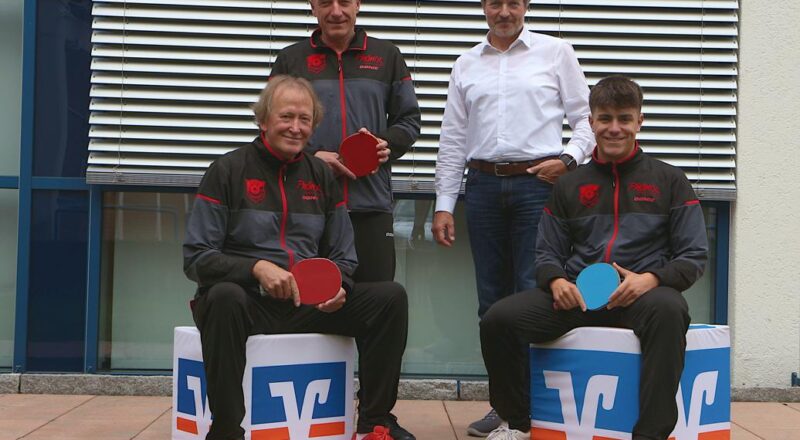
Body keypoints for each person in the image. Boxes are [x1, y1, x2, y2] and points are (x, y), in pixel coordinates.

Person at [184, 76, 415, 440]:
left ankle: (375, 422)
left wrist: (340, 285)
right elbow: (197, 258)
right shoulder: (227, 170)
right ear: (263, 121)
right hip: (245, 303)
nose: (295, 128)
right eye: (286, 117)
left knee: (390, 298)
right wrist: (256, 269)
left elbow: (343, 255)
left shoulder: (322, 175)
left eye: (304, 119)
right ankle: (226, 430)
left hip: (305, 303)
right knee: (223, 296)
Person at [478, 76, 709, 440]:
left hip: (643, 295)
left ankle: (651, 434)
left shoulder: (671, 180)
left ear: (639, 122)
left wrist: (651, 279)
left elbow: (694, 255)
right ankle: (518, 424)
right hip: (579, 297)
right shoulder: (569, 184)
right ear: (590, 122)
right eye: (605, 119)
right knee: (498, 319)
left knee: (670, 310)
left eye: (624, 118)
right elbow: (546, 252)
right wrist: (556, 282)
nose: (614, 128)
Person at [431, 0, 594, 435]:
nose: (505, 11)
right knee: (490, 305)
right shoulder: (466, 64)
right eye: (495, 2)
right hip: (482, 188)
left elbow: (587, 122)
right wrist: (444, 203)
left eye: (513, 2)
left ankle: (533, 409)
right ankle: (504, 408)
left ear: (526, 6)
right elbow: (453, 138)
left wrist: (568, 160)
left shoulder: (556, 52)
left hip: (537, 185)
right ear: (484, 7)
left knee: (530, 295)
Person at [270, 0, 421, 284]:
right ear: (313, 7)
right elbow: (271, 128)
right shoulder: (291, 59)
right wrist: (311, 159)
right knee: (310, 300)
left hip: (371, 205)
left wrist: (383, 143)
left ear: (358, 5)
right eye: (326, 3)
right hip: (307, 205)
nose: (336, 11)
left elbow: (409, 120)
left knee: (376, 301)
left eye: (345, 2)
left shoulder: (387, 56)